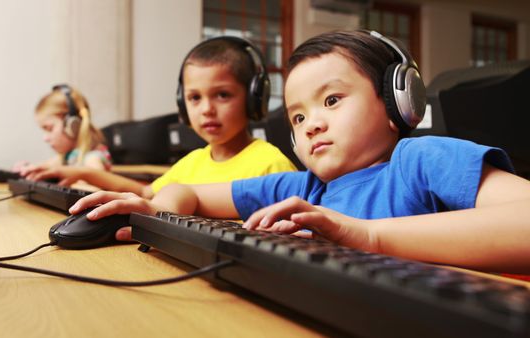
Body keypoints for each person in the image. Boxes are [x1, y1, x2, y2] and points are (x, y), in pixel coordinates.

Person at [69, 30, 530, 274]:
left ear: (398, 102)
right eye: (297, 117)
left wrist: (366, 236)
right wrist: (153, 206)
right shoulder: (305, 187)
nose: (313, 125)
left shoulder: (422, 160)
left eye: (331, 101)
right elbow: (188, 192)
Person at [24, 37, 296, 202]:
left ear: (253, 99)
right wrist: (80, 173)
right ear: (181, 102)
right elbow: (145, 194)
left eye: (222, 95)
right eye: (194, 98)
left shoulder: (271, 164)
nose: (206, 109)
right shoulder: (192, 162)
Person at [14, 84, 112, 173]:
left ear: (72, 125)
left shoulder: (92, 158)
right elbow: (48, 165)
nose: (45, 138)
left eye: (49, 129)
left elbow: (99, 183)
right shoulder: (69, 156)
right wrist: (28, 167)